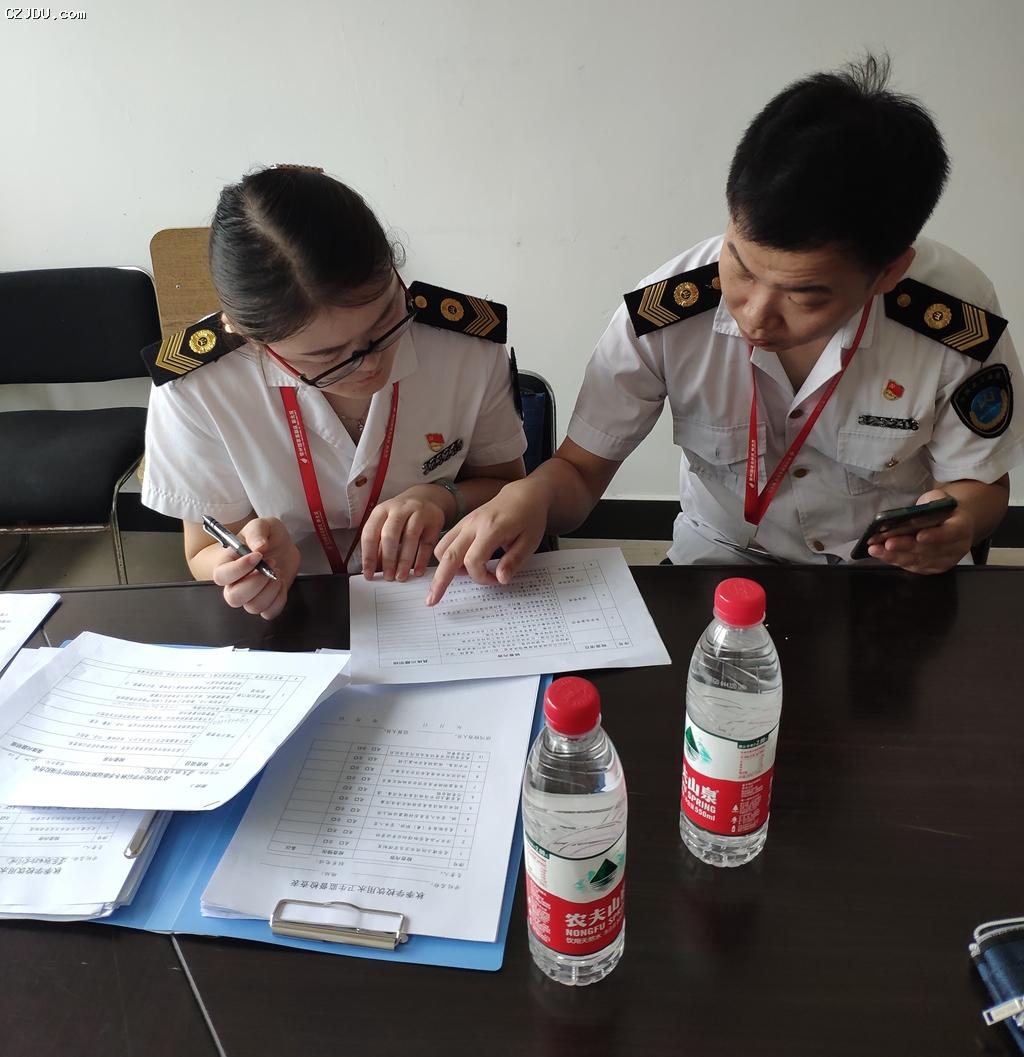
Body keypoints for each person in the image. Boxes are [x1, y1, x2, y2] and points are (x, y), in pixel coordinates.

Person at [426, 54, 1024, 605]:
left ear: (888, 272)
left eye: (804, 295)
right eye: (740, 267)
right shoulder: (665, 312)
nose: (755, 314)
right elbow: (580, 474)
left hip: (883, 580)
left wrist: (961, 524)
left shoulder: (952, 323)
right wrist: (531, 495)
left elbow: (982, 486)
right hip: (718, 565)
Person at [141, 165, 527, 619]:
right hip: (298, 606)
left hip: (443, 598)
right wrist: (246, 568)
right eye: (329, 357)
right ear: (253, 339)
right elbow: (203, 550)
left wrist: (444, 498)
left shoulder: (464, 348)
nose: (371, 364)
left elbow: (507, 486)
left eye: (386, 323)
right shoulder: (199, 387)